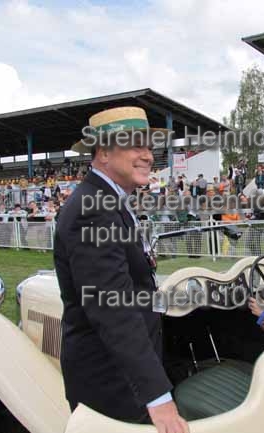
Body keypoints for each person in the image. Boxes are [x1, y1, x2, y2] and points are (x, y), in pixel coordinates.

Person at [53, 107, 189, 433]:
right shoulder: (94, 209)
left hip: (124, 374)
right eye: (135, 146)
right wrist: (158, 397)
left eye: (149, 147)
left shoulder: (109, 201)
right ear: (102, 153)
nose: (147, 156)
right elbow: (114, 311)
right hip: (113, 382)